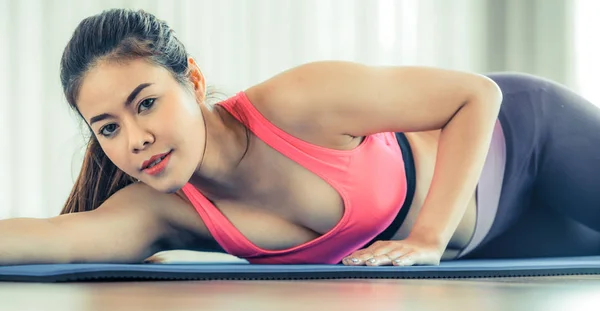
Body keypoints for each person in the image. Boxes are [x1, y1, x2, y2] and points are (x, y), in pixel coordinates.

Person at [2, 8, 600, 267]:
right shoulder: (161, 210)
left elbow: (479, 96)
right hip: (494, 238)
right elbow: (52, 236)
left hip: (529, 140)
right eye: (108, 127)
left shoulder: (295, 102)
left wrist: (426, 237)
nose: (134, 138)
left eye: (147, 103)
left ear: (194, 81)